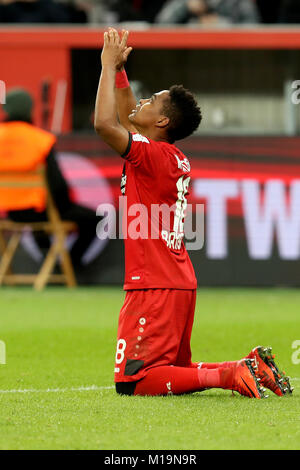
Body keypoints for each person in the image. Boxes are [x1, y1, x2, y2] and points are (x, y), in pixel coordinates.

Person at [94, 28, 293, 398]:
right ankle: (251, 366)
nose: (143, 101)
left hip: (153, 284)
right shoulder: (167, 155)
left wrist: (106, 66)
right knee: (175, 370)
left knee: (135, 382)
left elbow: (106, 124)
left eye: (152, 99)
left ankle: (231, 375)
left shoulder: (151, 155)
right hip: (177, 282)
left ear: (163, 122)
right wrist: (120, 69)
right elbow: (126, 113)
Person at [0, 88, 101, 267]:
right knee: (92, 218)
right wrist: (65, 206)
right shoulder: (40, 140)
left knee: (42, 217)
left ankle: (50, 264)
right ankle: (70, 265)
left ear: (6, 110)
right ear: (29, 110)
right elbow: (57, 185)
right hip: (38, 210)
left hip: (9, 212)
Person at [155, 0, 260, 25]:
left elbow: (254, 26)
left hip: (232, 58)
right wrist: (185, 6)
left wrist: (221, 24)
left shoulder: (238, 2)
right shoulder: (185, 2)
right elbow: (161, 23)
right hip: (187, 56)